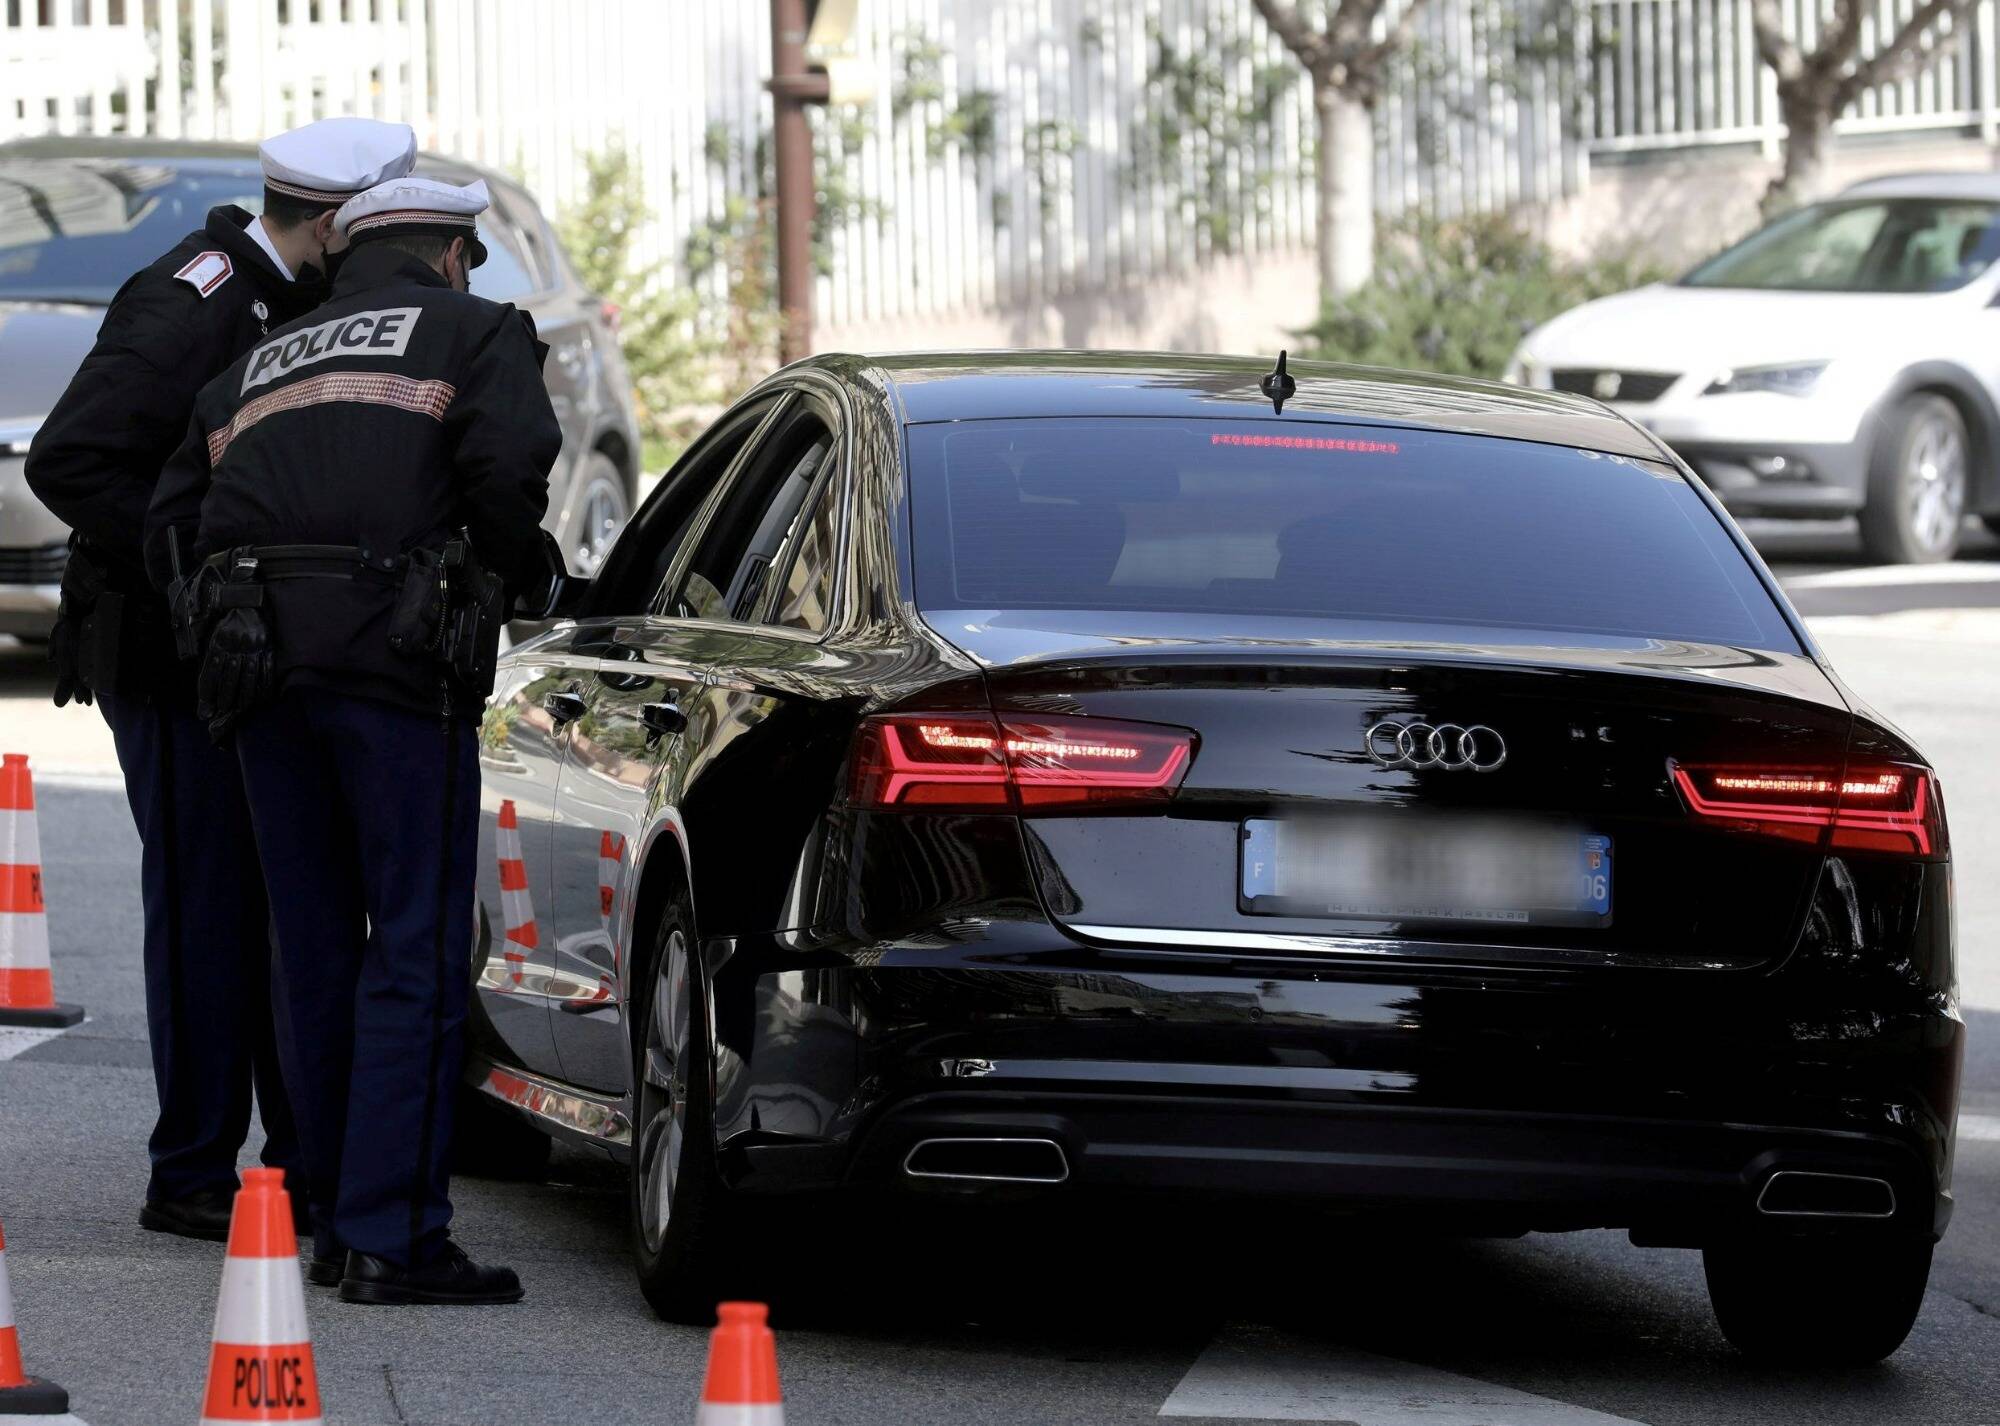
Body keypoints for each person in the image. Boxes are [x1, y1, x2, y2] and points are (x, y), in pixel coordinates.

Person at [144, 175, 561, 1305]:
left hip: (260, 678)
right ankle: (394, 1237)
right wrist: (510, 569)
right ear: (448, 255)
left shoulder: (260, 359)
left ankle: (326, 1212)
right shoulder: (475, 333)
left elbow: (170, 519)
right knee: (414, 947)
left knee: (312, 943)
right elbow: (510, 468)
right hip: (398, 671)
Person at [24, 117, 417, 1243]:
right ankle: (192, 1170)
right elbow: (70, 459)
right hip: (169, 653)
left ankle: (286, 1162)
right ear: (335, 220)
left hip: (250, 657)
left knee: (277, 910)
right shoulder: (196, 298)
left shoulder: (292, 298)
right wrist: (195, 562)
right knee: (207, 912)